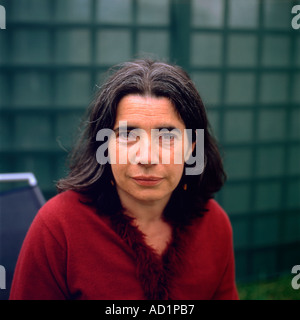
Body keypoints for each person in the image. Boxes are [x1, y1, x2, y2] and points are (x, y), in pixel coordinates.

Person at [10, 59, 239, 300]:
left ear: (192, 147)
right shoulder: (58, 226)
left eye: (167, 135)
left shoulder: (213, 224)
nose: (147, 157)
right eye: (128, 134)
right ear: (104, 145)